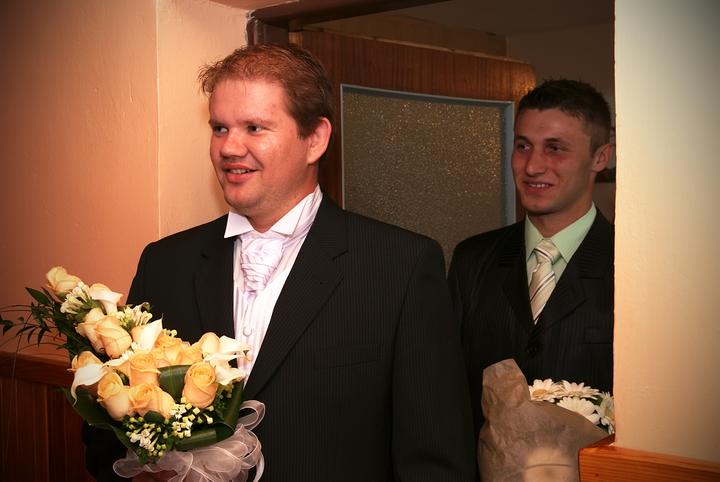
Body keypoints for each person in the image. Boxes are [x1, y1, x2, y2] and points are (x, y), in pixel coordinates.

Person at [84, 43, 475, 482]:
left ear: (315, 139)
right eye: (219, 128)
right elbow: (107, 443)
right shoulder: (166, 263)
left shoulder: (399, 266)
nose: (229, 147)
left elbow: (436, 459)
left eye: (254, 127)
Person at [447, 79, 615, 441]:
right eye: (523, 146)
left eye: (555, 148)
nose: (533, 166)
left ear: (600, 157)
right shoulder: (472, 260)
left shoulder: (629, 268)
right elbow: (447, 389)